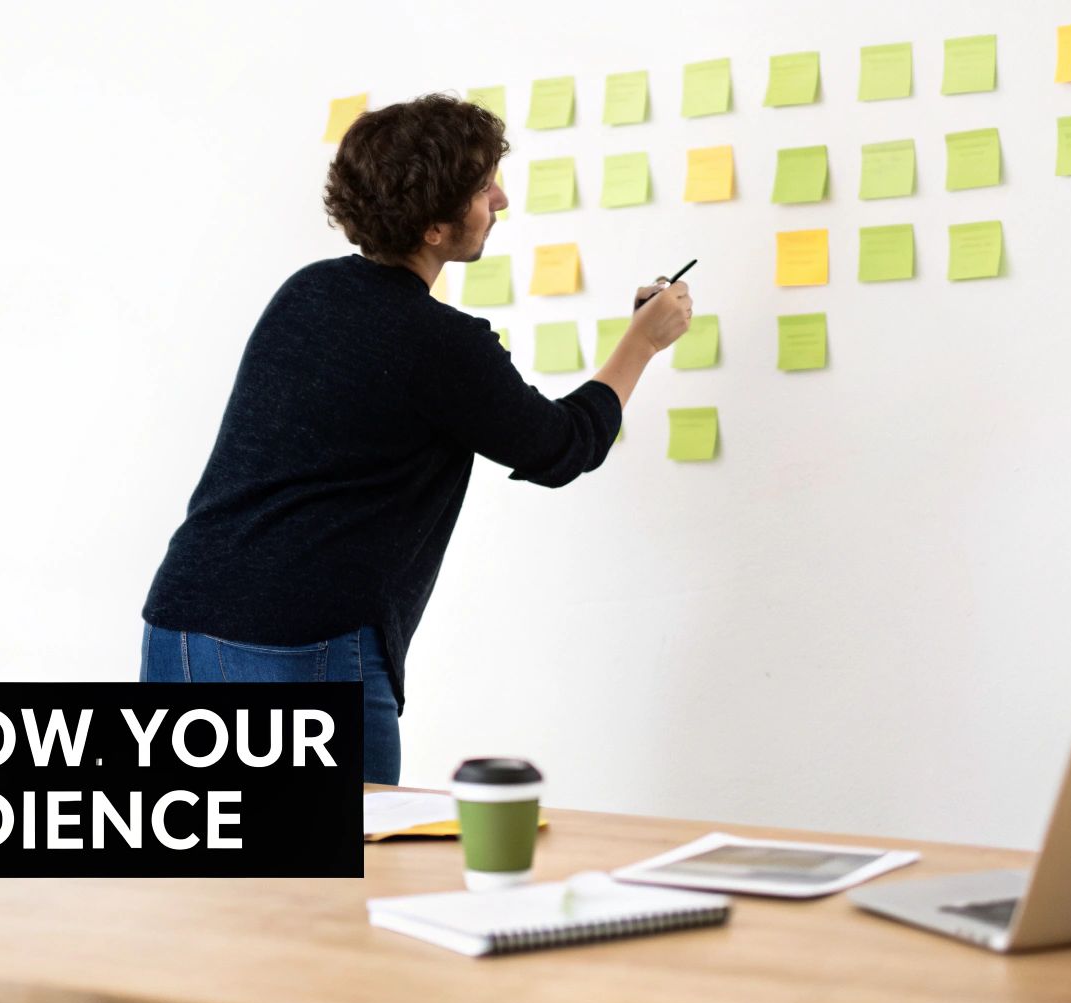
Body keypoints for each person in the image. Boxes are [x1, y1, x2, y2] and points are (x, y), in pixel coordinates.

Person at [140, 93, 692, 784]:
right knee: (335, 886)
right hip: (300, 644)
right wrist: (640, 344)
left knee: (210, 879)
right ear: (434, 227)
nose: (501, 198)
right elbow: (562, 447)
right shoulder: (439, 343)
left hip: (183, 618)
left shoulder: (305, 292)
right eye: (482, 186)